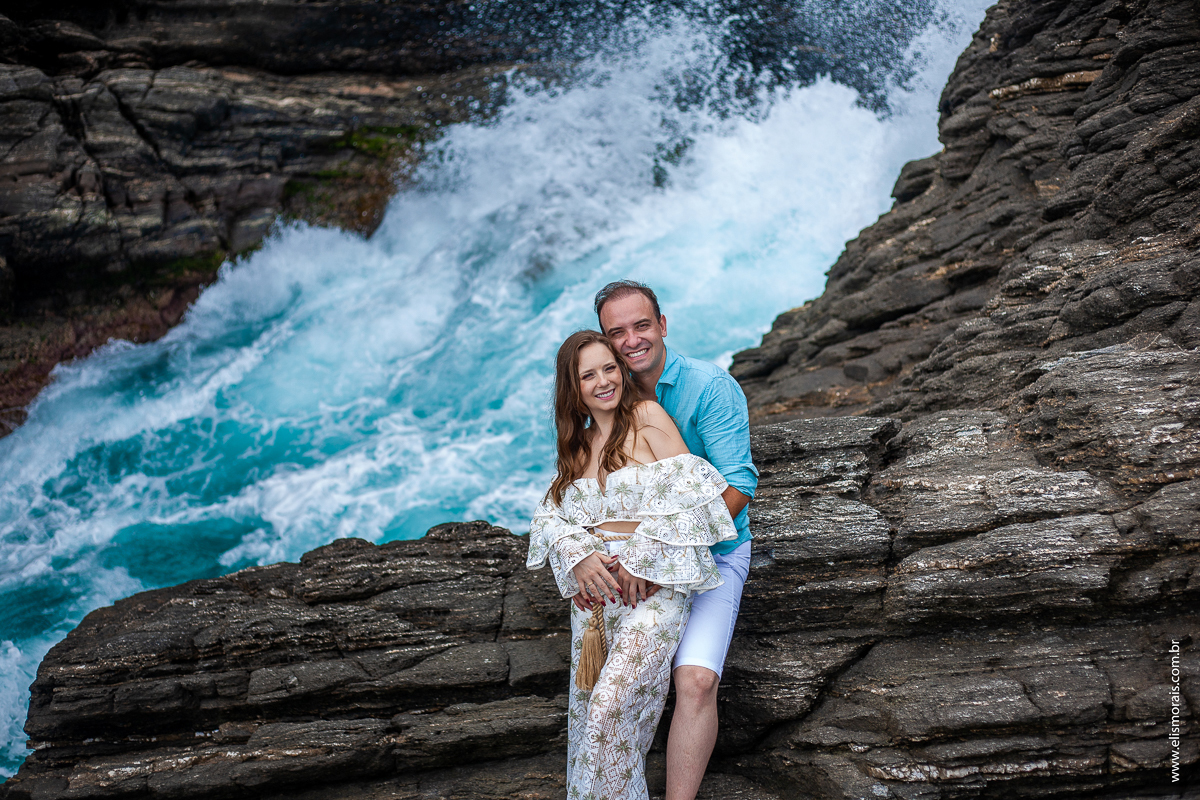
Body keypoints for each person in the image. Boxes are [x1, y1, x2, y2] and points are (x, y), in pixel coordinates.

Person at [526, 330, 738, 800]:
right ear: (573, 388)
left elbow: (697, 498)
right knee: (592, 725)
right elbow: (547, 518)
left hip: (653, 587)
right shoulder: (577, 447)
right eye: (589, 375)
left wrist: (643, 558)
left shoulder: (647, 417)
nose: (603, 381)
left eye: (609, 368)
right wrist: (578, 556)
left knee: (608, 709)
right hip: (596, 603)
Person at [595, 280, 757, 800]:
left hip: (715, 554)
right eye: (617, 332)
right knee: (606, 687)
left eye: (642, 325)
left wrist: (658, 554)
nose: (631, 340)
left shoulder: (709, 388)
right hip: (629, 561)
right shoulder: (604, 393)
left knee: (695, 680)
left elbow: (740, 485)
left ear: (662, 325)